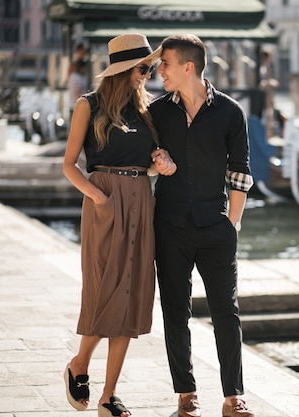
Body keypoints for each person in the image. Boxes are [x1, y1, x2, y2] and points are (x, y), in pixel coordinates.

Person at [62, 33, 176, 417]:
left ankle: (109, 396)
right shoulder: (88, 105)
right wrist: (99, 198)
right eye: (144, 68)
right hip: (105, 198)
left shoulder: (148, 111)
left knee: (132, 293)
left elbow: (149, 162)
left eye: (152, 67)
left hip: (142, 197)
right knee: (104, 289)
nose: (150, 74)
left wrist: (160, 164)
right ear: (124, 70)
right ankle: (79, 364)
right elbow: (68, 165)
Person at [148, 34, 255, 417]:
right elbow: (143, 160)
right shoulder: (158, 112)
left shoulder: (230, 112)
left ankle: (233, 396)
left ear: (188, 67)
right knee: (176, 311)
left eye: (165, 64)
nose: (159, 71)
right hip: (170, 227)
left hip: (216, 229)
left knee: (227, 311)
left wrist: (233, 225)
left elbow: (240, 174)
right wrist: (157, 162)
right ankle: (186, 393)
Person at [67, 43, 89, 118]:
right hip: (77, 107)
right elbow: (77, 91)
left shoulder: (75, 76)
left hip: (74, 106)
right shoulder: (77, 77)